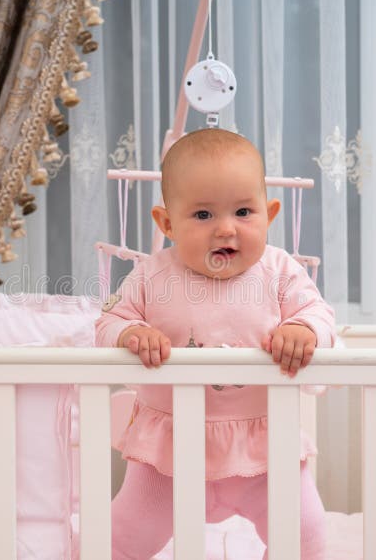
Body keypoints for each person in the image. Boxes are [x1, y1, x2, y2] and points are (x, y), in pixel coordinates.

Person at [95, 128, 335, 559]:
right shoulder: (152, 276)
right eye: (203, 216)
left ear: (270, 213)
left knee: (308, 537)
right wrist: (132, 333)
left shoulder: (280, 271)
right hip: (167, 455)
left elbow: (320, 315)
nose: (226, 229)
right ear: (167, 223)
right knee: (120, 541)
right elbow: (108, 321)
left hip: (266, 449)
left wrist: (304, 330)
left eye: (244, 211)